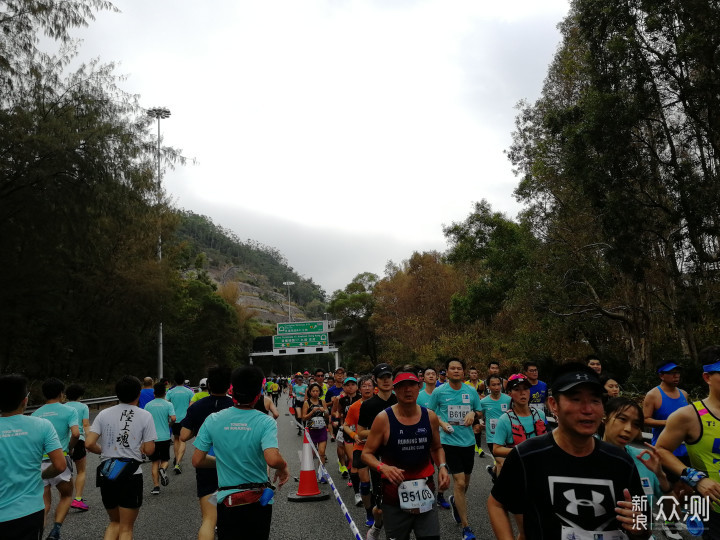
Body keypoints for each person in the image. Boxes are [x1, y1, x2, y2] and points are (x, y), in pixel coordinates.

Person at [487, 363, 649, 539]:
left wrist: (638, 526)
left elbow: (644, 523)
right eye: (575, 399)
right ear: (553, 405)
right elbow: (496, 504)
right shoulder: (527, 456)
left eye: (595, 400)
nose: (587, 410)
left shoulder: (621, 462)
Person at [191, 365, 290, 540]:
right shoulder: (265, 421)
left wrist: (220, 461)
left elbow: (197, 460)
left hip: (227, 500)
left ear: (233, 391)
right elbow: (273, 459)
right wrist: (283, 467)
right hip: (258, 499)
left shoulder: (213, 419)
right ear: (258, 394)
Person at [362, 367, 450, 540]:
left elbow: (436, 447)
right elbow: (366, 454)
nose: (407, 390)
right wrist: (383, 467)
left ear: (419, 387)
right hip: (393, 494)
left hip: (425, 491)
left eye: (412, 385)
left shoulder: (430, 416)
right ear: (395, 389)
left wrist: (442, 467)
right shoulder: (383, 418)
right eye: (402, 386)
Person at [656, 345, 720, 538]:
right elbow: (661, 450)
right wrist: (696, 479)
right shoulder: (689, 416)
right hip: (714, 508)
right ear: (707, 377)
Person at [85, 375, 157, 540]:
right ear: (138, 394)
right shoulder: (145, 415)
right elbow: (150, 449)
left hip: (108, 473)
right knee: (126, 528)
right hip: (131, 475)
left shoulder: (103, 414)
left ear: (117, 394)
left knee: (114, 523)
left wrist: (104, 450)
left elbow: (89, 443)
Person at [0, 374, 66, 540]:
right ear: (25, 400)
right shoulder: (42, 425)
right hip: (29, 511)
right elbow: (60, 465)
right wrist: (42, 474)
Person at [427, 357, 482, 540]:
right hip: (448, 442)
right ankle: (466, 527)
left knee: (465, 483)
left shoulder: (471, 391)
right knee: (458, 482)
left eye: (459, 368)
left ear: (463, 372)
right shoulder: (439, 391)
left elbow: (479, 411)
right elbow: (430, 413)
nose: (456, 371)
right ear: (447, 372)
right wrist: (442, 423)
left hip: (468, 443)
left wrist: (473, 414)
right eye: (452, 368)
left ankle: (455, 501)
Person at [601, 397, 673, 531]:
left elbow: (673, 516)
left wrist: (661, 477)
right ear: (604, 418)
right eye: (622, 419)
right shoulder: (583, 452)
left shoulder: (645, 459)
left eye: (636, 424)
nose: (628, 429)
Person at [180, 366, 234, 540]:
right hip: (233, 465)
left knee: (209, 519)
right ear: (229, 385)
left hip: (205, 463)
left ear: (209, 385)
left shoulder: (197, 407)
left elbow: (183, 436)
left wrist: (198, 429)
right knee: (233, 519)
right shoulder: (236, 405)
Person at [31, 378, 79, 540]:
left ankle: (38, 534)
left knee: (44, 504)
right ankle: (56, 530)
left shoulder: (35, 414)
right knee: (66, 496)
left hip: (40, 463)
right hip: (60, 459)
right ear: (61, 393)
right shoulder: (69, 411)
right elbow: (76, 433)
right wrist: (70, 448)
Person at [358, 363, 398, 540]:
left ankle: (394, 533)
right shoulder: (368, 405)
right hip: (378, 458)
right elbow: (360, 432)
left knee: (401, 500)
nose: (386, 380)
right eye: (382, 378)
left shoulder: (401, 400)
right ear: (375, 380)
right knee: (380, 506)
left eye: (389, 377)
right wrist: (382, 431)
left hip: (402, 455)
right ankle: (377, 525)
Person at [492, 374, 547, 478]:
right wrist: (522, 451)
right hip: (516, 469)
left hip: (539, 468)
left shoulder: (540, 414)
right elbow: (496, 449)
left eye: (526, 388)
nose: (522, 393)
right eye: (517, 389)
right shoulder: (505, 419)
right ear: (510, 394)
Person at [416, 367, 451, 510]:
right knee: (426, 467)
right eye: (428, 374)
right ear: (423, 378)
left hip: (443, 436)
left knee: (442, 465)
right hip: (424, 436)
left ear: (437, 377)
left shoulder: (443, 394)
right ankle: (425, 494)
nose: (431, 376)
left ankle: (440, 496)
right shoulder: (419, 395)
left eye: (433, 374)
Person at [643, 362, 689, 462]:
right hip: (663, 450)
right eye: (672, 373)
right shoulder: (653, 395)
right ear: (661, 376)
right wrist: (668, 422)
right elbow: (645, 420)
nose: (676, 376)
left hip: (685, 450)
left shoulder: (684, 394)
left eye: (677, 373)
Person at [343, 375, 375, 517]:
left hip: (377, 447)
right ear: (359, 389)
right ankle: (368, 511)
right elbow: (345, 426)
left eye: (370, 385)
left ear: (374, 388)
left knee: (380, 482)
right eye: (364, 386)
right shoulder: (355, 407)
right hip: (361, 447)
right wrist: (354, 435)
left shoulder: (380, 404)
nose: (367, 388)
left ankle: (379, 507)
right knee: (365, 481)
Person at [478, 374, 512, 482]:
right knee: (502, 463)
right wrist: (480, 421)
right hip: (492, 438)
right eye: (493, 385)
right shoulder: (483, 402)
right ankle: (500, 489)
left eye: (498, 384)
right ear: (488, 386)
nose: (497, 387)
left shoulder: (508, 400)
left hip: (508, 437)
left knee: (504, 462)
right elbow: (479, 414)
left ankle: (493, 471)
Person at [144, 382, 176, 495]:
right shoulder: (168, 404)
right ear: (164, 393)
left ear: (154, 393)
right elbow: (173, 418)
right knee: (165, 460)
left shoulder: (148, 405)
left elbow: (144, 421)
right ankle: (163, 469)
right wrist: (169, 424)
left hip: (152, 437)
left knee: (154, 462)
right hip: (164, 436)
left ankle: (156, 487)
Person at [65, 383, 91, 511]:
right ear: (80, 395)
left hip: (64, 443)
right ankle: (78, 499)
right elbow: (85, 424)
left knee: (66, 473)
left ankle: (65, 500)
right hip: (79, 440)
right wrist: (90, 440)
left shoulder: (63, 407)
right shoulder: (83, 407)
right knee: (81, 471)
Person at [335, 377, 361, 491]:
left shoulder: (361, 398)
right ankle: (353, 477)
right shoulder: (342, 400)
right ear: (344, 387)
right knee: (351, 458)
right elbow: (338, 412)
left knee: (360, 458)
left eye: (353, 384)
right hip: (346, 431)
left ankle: (361, 480)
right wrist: (339, 422)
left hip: (360, 431)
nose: (350, 387)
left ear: (357, 386)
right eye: (347, 385)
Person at [166, 371, 194, 474]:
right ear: (184, 380)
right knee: (183, 440)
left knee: (176, 439)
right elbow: (192, 405)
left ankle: (176, 458)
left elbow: (166, 404)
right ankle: (178, 462)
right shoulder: (189, 391)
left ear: (174, 380)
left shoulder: (170, 391)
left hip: (175, 419)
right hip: (185, 419)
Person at [302, 382, 330, 482]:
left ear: (320, 392)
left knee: (321, 453)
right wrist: (312, 411)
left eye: (317, 391)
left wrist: (324, 411)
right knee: (312, 454)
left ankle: (321, 474)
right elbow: (303, 417)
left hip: (321, 430)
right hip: (311, 431)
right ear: (310, 392)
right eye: (313, 391)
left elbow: (327, 415)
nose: (315, 393)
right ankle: (310, 473)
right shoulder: (307, 403)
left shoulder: (322, 401)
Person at [326, 367, 349, 476]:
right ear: (334, 376)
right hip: (337, 420)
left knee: (348, 445)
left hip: (349, 421)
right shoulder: (331, 390)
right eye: (338, 374)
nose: (340, 375)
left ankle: (346, 463)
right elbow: (326, 404)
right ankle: (342, 464)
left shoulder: (349, 388)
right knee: (341, 445)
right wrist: (334, 401)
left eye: (342, 373)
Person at [465, 367, 487, 458]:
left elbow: (485, 394)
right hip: (469, 408)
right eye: (472, 373)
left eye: (475, 373)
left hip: (479, 407)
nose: (474, 374)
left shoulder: (482, 383)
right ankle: (475, 445)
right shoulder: (466, 384)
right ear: (469, 374)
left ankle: (479, 447)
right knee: (472, 427)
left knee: (478, 427)